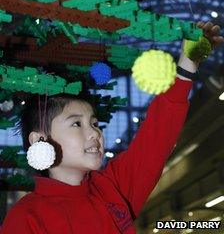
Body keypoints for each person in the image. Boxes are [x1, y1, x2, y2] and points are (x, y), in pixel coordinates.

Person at [1, 22, 223, 234]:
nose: (95, 133)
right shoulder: (26, 217)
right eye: (76, 123)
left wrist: (187, 66)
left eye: (95, 123)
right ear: (39, 139)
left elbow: (156, 138)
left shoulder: (113, 188)